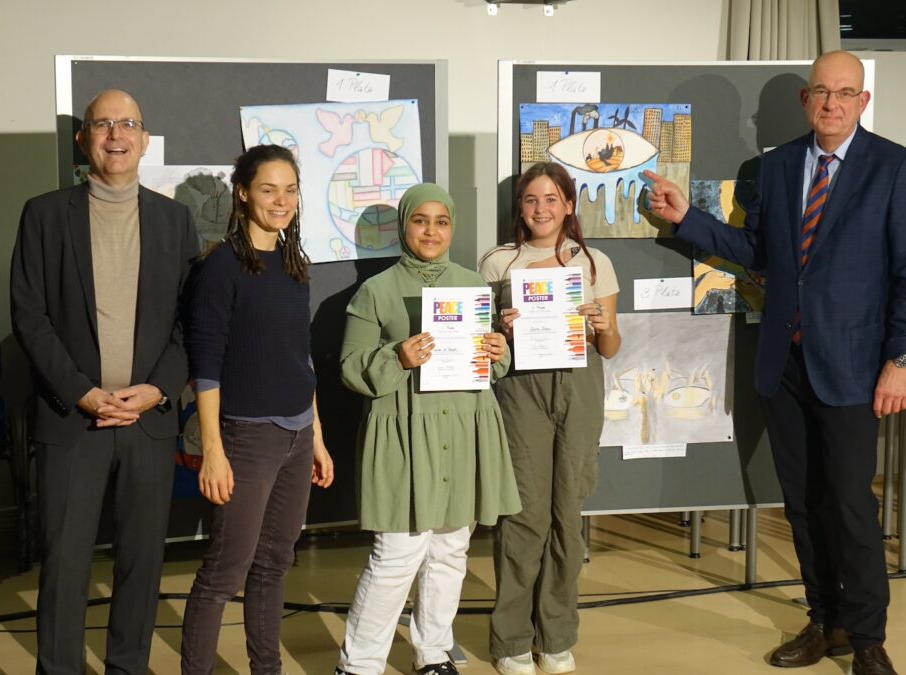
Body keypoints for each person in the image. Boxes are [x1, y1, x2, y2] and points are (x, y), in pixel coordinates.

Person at [644, 51, 905, 675]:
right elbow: (757, 252)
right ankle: (825, 620)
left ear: (863, 102)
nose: (832, 104)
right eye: (821, 92)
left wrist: (899, 358)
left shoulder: (894, 168)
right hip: (782, 364)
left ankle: (868, 638)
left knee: (849, 503)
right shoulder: (779, 165)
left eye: (845, 93)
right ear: (805, 100)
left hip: (853, 366)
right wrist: (686, 220)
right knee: (802, 502)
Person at [10, 89, 202, 675]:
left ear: (144, 140)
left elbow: (189, 322)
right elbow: (29, 315)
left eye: (128, 125)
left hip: (148, 422)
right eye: (102, 125)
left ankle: (127, 668)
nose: (115, 136)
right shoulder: (43, 214)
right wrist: (81, 392)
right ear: (83, 138)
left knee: (141, 564)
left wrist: (157, 390)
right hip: (74, 421)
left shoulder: (174, 219)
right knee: (65, 565)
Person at [335, 183, 521, 675]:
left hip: (463, 430)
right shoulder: (375, 291)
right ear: (403, 226)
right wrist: (397, 356)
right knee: (397, 553)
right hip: (404, 435)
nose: (431, 231)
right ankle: (360, 664)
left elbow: (490, 367)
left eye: (441, 221)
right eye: (421, 220)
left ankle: (433, 653)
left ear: (452, 227)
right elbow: (350, 368)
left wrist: (498, 353)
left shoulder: (474, 285)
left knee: (450, 549)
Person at [181, 144, 334, 675]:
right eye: (268, 189)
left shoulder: (294, 264)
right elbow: (205, 366)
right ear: (242, 193)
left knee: (274, 564)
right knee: (226, 570)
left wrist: (314, 437)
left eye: (290, 189)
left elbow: (301, 357)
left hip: (296, 434)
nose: (281, 200)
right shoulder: (221, 266)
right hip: (246, 439)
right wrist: (213, 453)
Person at [478, 161, 620, 675]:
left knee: (567, 514)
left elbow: (610, 346)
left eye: (551, 199)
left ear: (569, 205)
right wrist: (502, 325)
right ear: (521, 207)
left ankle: (556, 634)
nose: (541, 209)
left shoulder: (593, 261)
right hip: (522, 390)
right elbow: (483, 342)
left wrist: (603, 324)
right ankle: (512, 638)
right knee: (524, 515)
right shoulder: (499, 262)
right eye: (531, 199)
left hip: (579, 388)